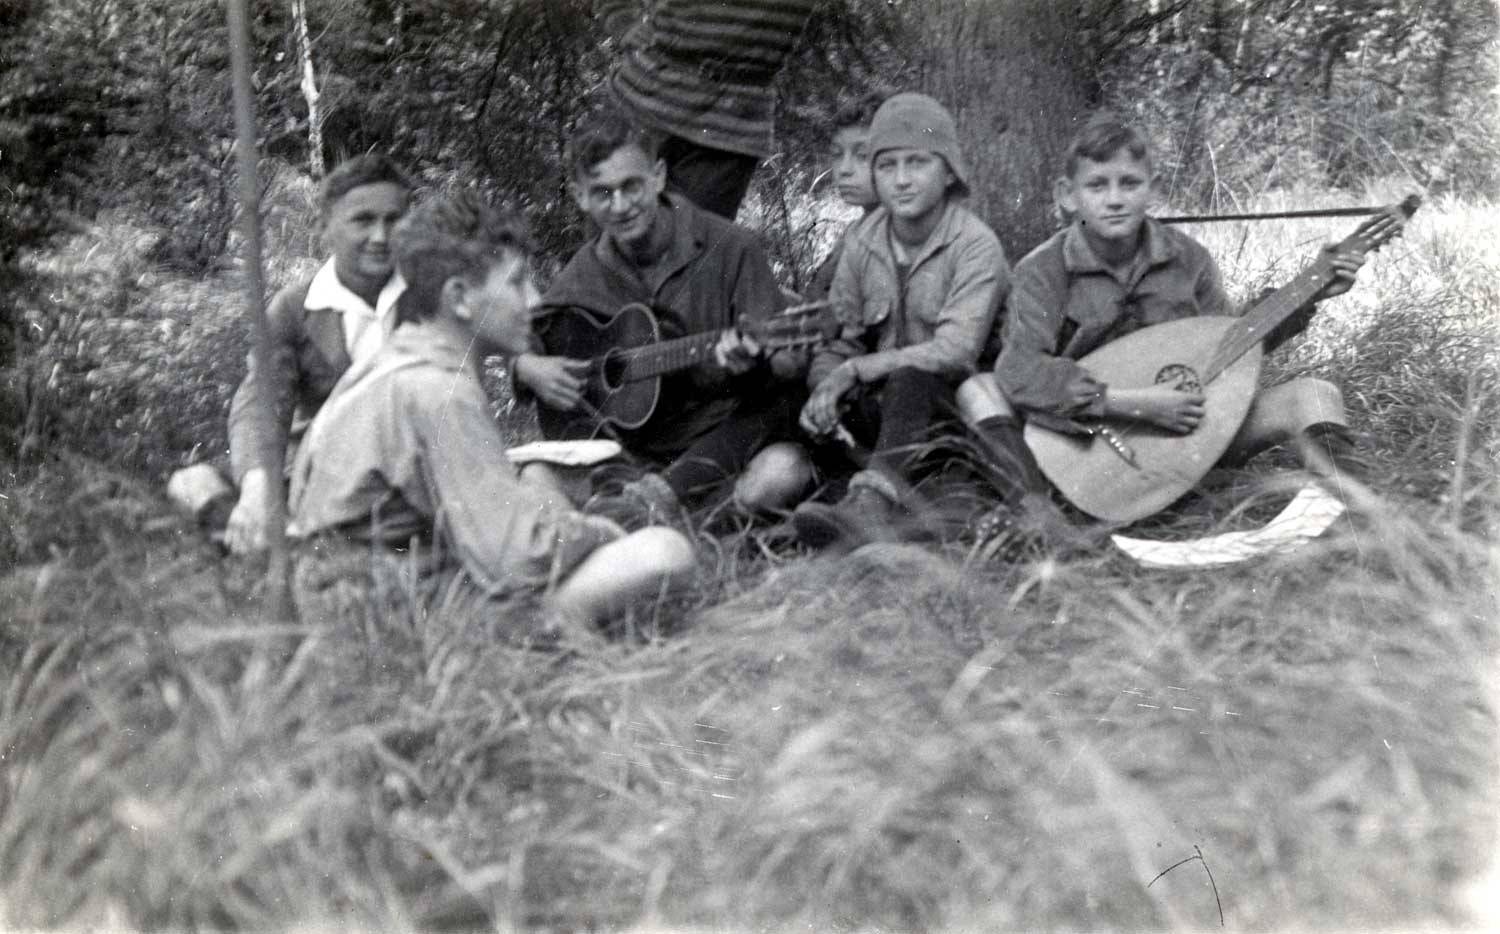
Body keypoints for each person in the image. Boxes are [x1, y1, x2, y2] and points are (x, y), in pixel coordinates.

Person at [287, 192, 696, 630]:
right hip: (394, 619)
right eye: (517, 282)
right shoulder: (440, 391)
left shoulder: (395, 360)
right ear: (460, 298)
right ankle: (535, 641)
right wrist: (597, 531)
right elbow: (514, 562)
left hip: (355, 592)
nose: (534, 301)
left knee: (540, 478)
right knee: (665, 552)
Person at [981, 113, 1365, 529]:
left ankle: (1356, 519)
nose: (1115, 199)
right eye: (1097, 185)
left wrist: (1310, 292)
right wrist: (1135, 403)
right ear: (1067, 195)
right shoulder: (1042, 270)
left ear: (1153, 189)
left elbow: (1227, 347)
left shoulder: (1188, 259)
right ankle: (1160, 507)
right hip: (1089, 454)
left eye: (1130, 183)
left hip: (1190, 437)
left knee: (1314, 394)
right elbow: (1020, 370)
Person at [512, 107, 813, 523]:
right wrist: (527, 367)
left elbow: (788, 362)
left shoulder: (731, 246)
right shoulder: (587, 268)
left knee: (780, 470)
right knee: (535, 477)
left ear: (657, 176)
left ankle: (652, 510)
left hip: (719, 447)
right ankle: (678, 518)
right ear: (580, 196)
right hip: (634, 453)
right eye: (602, 193)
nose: (620, 206)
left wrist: (758, 362)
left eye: (631, 186)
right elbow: (527, 332)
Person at [791, 93, 1009, 551]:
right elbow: (845, 338)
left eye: (918, 163)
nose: (902, 180)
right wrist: (826, 384)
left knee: (913, 377)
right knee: (789, 399)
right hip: (885, 418)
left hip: (953, 414)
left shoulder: (974, 245)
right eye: (887, 166)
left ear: (948, 172)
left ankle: (870, 506)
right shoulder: (862, 242)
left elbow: (956, 352)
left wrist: (856, 369)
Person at [170, 154, 414, 554]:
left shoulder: (428, 295)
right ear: (325, 228)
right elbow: (264, 398)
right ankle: (262, 534)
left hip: (400, 468)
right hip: (314, 468)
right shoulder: (296, 307)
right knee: (190, 483)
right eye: (363, 220)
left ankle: (286, 544)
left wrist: (520, 365)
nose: (381, 237)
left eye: (394, 220)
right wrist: (258, 485)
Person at [595, 0, 818, 220]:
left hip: (730, 123)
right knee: (610, 231)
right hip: (644, 98)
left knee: (693, 236)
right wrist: (621, 18)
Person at [801, 91, 885, 303]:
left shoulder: (898, 241)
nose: (844, 169)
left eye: (862, 155)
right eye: (837, 154)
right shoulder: (856, 230)